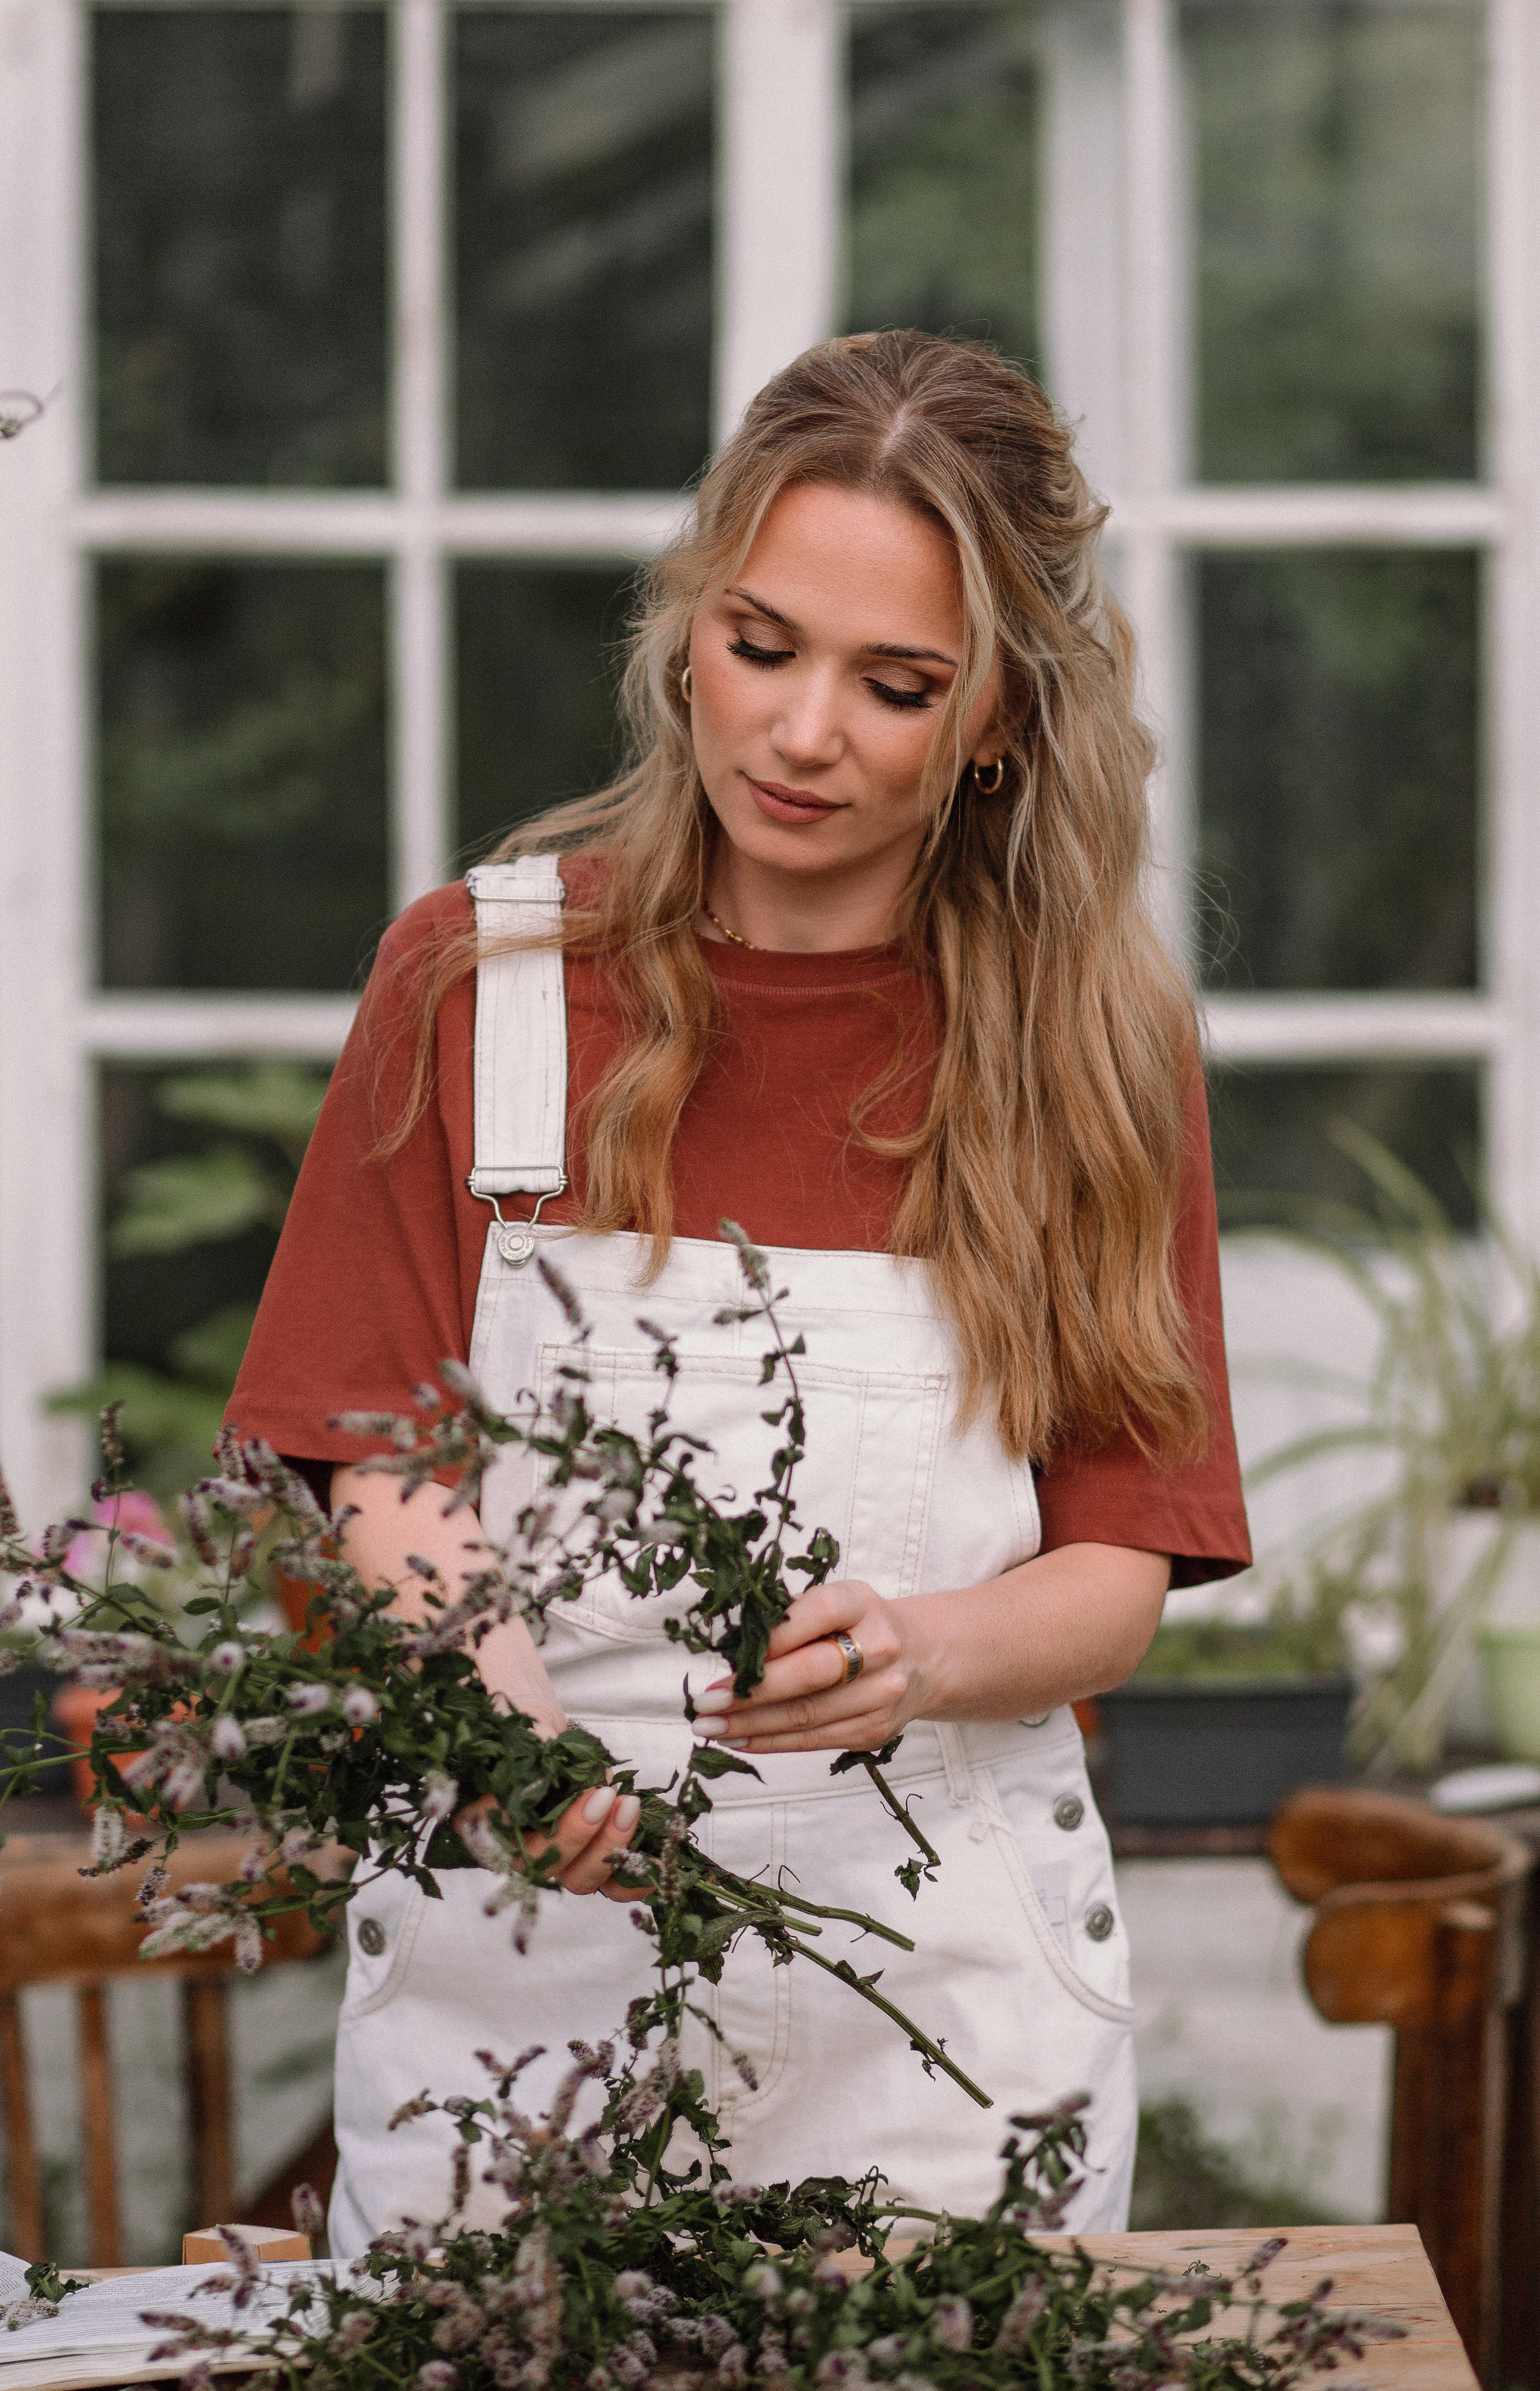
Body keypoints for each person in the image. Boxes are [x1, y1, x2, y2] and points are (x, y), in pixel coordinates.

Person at [226, 329, 1250, 2252]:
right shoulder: (484, 990)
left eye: (895, 685)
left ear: (1000, 720)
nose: (797, 734)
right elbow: (381, 1462)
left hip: (942, 2005)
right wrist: (505, 1745)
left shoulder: (1086, 1055)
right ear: (685, 622)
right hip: (523, 1983)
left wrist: (922, 1655)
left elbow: (1118, 1567)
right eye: (759, 645)